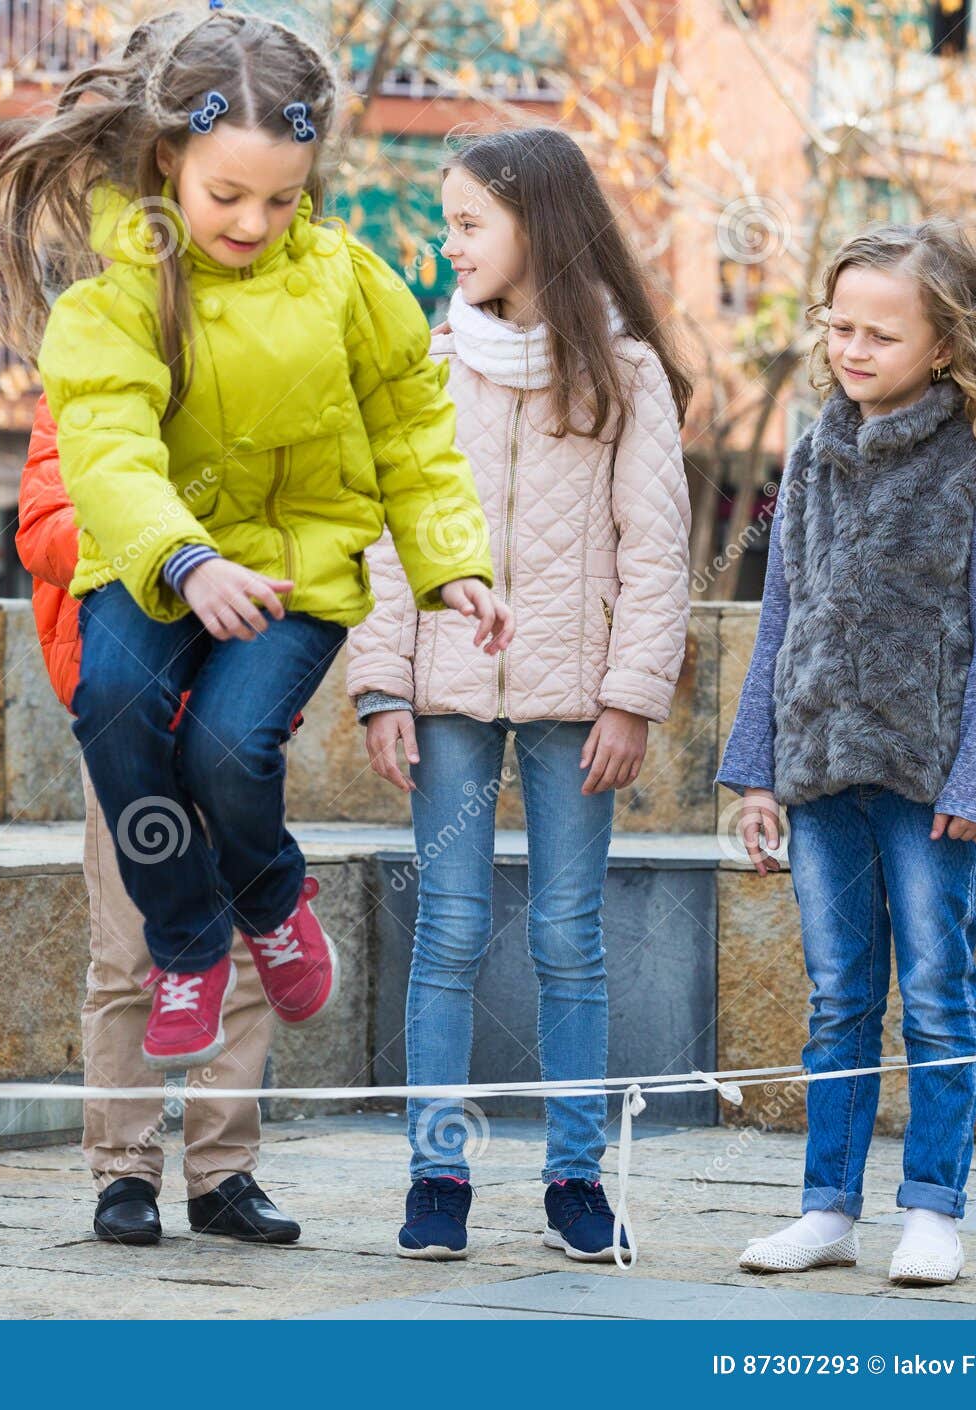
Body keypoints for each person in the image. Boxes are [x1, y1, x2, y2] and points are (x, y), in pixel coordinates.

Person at [0, 3, 511, 1071]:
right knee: (114, 705)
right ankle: (187, 942)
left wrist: (450, 560)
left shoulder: (348, 286)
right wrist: (184, 559)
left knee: (226, 748)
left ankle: (271, 898)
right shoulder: (112, 299)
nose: (254, 222)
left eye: (282, 198)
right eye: (225, 195)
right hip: (161, 557)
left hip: (294, 563)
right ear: (165, 158)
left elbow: (411, 433)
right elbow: (110, 455)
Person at [347, 127, 693, 1263]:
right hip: (447, 693)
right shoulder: (431, 368)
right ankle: (436, 1175)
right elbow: (392, 543)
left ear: (534, 224)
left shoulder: (627, 373)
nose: (448, 246)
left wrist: (630, 695)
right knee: (444, 931)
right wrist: (381, 684)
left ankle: (575, 1180)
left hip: (572, 700)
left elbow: (655, 553)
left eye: (466, 224)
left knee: (566, 938)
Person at [718, 218, 976, 1287]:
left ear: (943, 346)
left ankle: (933, 1207)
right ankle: (826, 1207)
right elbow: (779, 615)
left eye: (880, 334)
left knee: (938, 987)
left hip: (929, 774)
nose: (851, 349)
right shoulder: (811, 448)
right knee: (835, 992)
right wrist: (754, 769)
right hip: (816, 770)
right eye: (838, 326)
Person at [17, 394, 301, 1245]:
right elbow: (42, 529)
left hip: (234, 719)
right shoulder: (79, 388)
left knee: (247, 951)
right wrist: (167, 547)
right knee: (129, 951)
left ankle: (223, 1175)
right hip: (125, 729)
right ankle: (123, 1171)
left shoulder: (262, 380)